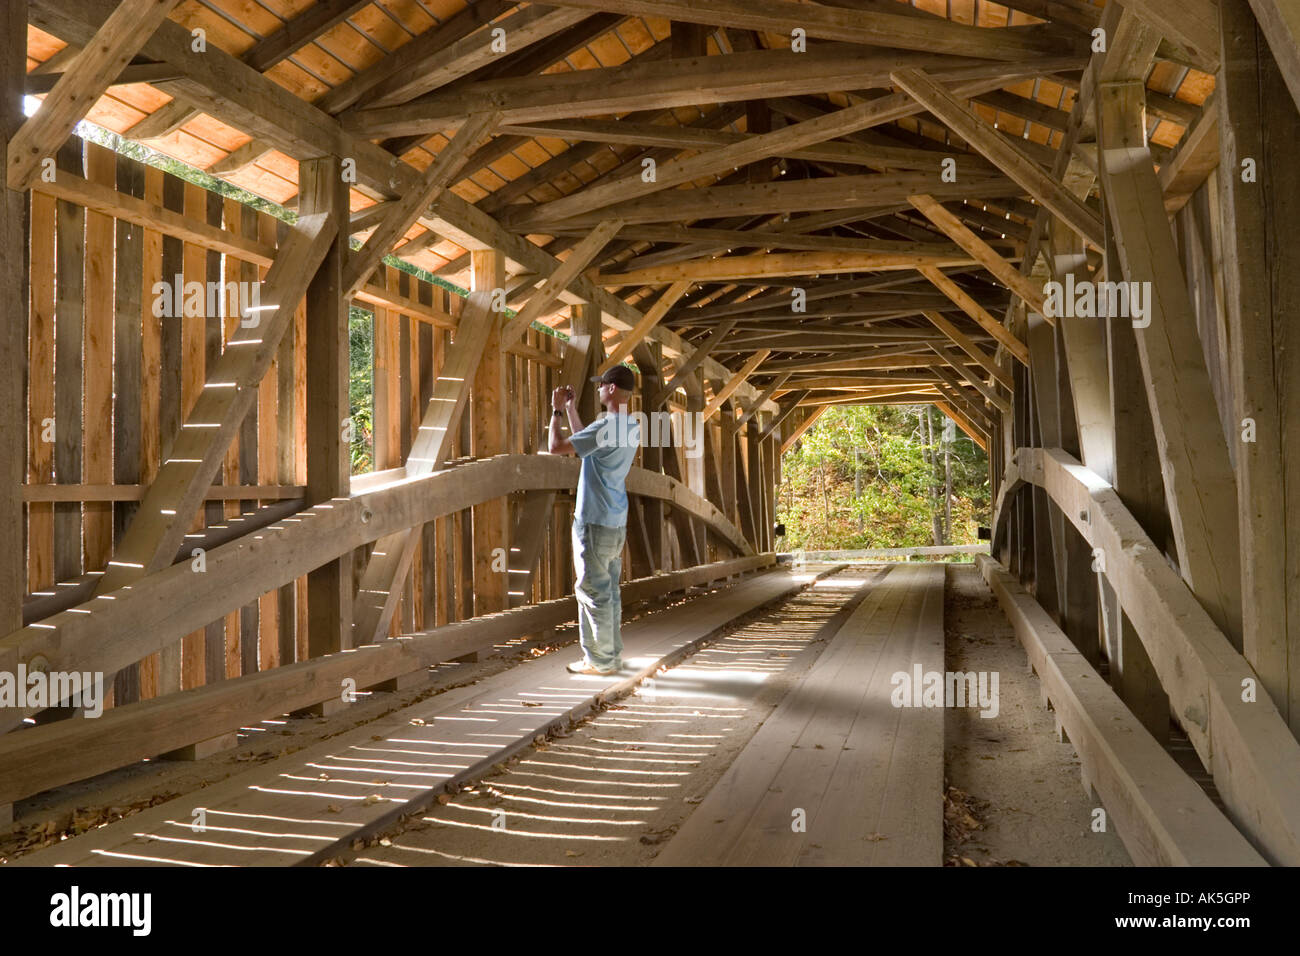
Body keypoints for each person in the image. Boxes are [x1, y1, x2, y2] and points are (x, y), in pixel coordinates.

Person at [547, 365, 641, 675]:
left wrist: (557, 412)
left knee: (592, 592)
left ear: (612, 389)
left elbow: (557, 448)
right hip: (615, 521)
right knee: (609, 592)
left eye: (602, 385)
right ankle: (610, 656)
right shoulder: (629, 427)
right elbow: (586, 446)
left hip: (594, 520)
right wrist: (573, 408)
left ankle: (600, 662)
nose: (599, 389)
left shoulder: (606, 427)